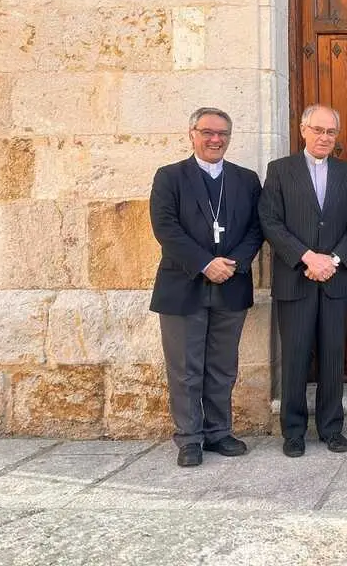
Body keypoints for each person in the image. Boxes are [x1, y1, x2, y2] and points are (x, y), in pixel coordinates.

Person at [149, 107, 263, 467]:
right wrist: (204, 263)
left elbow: (257, 229)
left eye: (222, 134)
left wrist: (232, 265)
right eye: (207, 132)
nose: (215, 140)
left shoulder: (246, 180)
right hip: (183, 285)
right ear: (192, 134)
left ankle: (218, 432)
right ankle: (189, 438)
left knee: (222, 366)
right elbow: (166, 228)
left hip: (231, 282)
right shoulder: (170, 177)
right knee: (185, 367)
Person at [259, 105, 347, 456]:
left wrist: (332, 260)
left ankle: (331, 428)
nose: (324, 138)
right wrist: (308, 257)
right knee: (295, 356)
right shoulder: (279, 171)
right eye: (318, 130)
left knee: (333, 356)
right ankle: (293, 431)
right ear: (303, 130)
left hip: (335, 280)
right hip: (296, 278)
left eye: (331, 132)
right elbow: (271, 222)